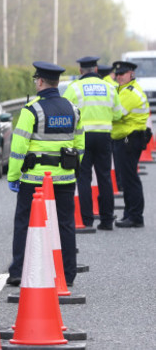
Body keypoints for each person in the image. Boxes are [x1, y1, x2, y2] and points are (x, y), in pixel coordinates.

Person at [6, 62, 84, 286]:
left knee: (25, 223)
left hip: (35, 179)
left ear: (40, 81)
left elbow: (18, 148)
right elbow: (80, 145)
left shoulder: (32, 110)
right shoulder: (72, 109)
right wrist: (72, 168)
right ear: (57, 83)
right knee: (66, 224)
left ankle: (19, 271)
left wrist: (13, 177)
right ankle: (67, 273)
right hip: (65, 178)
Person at [62, 56, 122, 230]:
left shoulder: (74, 88)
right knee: (104, 178)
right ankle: (107, 220)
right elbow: (118, 115)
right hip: (104, 137)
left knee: (84, 178)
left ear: (81, 71)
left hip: (82, 138)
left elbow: (66, 112)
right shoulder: (110, 88)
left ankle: (86, 220)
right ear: (96, 70)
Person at [111, 60, 150, 228]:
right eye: (117, 74)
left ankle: (135, 216)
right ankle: (130, 213)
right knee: (128, 178)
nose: (119, 77)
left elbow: (116, 115)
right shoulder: (124, 90)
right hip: (128, 138)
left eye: (122, 74)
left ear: (131, 74)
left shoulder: (129, 93)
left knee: (129, 178)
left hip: (129, 139)